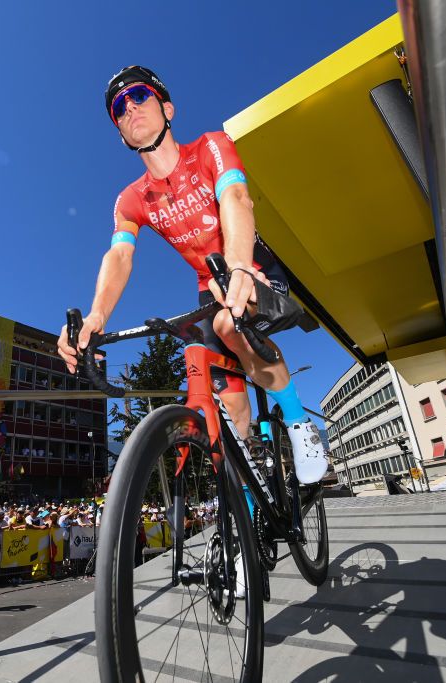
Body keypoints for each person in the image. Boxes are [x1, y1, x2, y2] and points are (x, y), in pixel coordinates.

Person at [56, 65, 328, 485]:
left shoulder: (210, 147)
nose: (130, 108)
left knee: (226, 320)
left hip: (250, 263)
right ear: (121, 134)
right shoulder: (130, 199)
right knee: (229, 409)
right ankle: (249, 508)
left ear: (168, 108)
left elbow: (236, 197)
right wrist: (96, 318)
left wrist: (238, 266)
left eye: (140, 96)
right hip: (208, 286)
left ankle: (298, 424)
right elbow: (120, 257)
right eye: (118, 108)